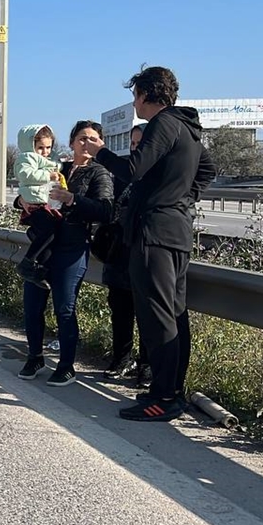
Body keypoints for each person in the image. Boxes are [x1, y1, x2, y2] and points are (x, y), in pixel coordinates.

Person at [90, 65, 216, 422]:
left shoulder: (163, 123)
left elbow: (133, 168)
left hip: (154, 234)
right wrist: (181, 200)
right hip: (176, 233)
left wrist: (100, 153)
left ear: (146, 94)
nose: (134, 103)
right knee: (174, 313)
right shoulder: (189, 129)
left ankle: (163, 398)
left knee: (157, 316)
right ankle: (170, 390)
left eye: (135, 96)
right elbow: (208, 171)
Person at [17, 120, 114, 387]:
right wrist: (19, 201)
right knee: (32, 305)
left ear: (100, 144)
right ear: (71, 142)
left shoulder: (99, 173)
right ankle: (35, 356)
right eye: (81, 138)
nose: (86, 144)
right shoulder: (55, 166)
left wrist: (73, 199)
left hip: (72, 248)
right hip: (44, 246)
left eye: (93, 139)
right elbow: (28, 188)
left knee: (65, 308)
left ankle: (66, 365)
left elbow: (105, 210)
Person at [103, 124, 150, 384]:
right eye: (132, 144)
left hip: (145, 250)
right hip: (120, 250)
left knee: (146, 310)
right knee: (120, 308)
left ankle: (147, 364)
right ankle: (122, 358)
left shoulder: (157, 175)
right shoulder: (123, 174)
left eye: (139, 144)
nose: (134, 149)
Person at [14, 125, 65, 289]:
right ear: (31, 146)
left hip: (45, 202)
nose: (45, 152)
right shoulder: (26, 158)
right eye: (40, 148)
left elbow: (60, 166)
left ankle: (39, 269)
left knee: (51, 233)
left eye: (48, 147)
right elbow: (25, 174)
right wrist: (48, 175)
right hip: (35, 203)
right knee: (49, 231)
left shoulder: (52, 159)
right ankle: (27, 263)